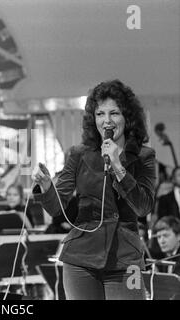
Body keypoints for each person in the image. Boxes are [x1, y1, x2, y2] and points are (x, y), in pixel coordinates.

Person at [32, 79, 156, 300]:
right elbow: (56, 208)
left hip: (126, 260)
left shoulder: (144, 156)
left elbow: (143, 207)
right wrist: (47, 187)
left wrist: (118, 167)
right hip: (80, 259)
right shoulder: (78, 154)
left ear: (127, 118)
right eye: (100, 114)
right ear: (93, 119)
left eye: (114, 113)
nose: (106, 121)